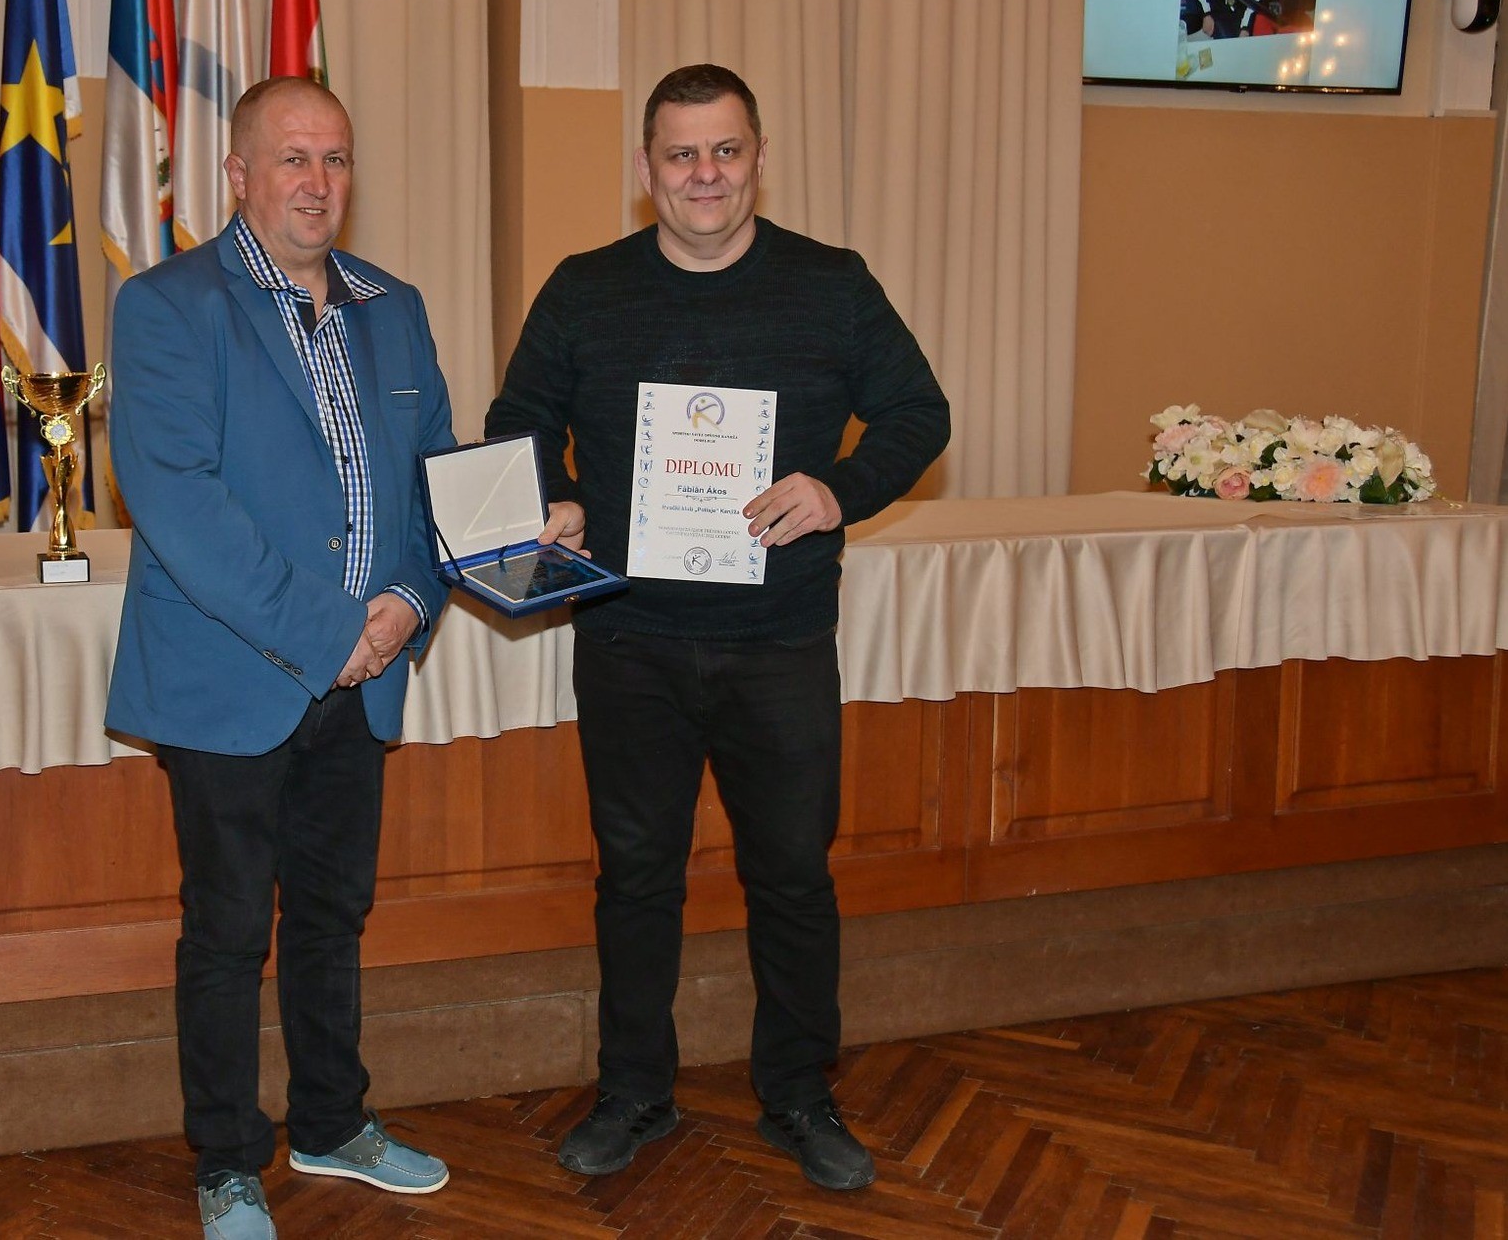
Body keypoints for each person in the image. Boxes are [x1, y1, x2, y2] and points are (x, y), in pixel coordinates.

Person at [484, 64, 949, 1193]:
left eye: (725, 150)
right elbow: (518, 416)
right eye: (681, 153)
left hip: (778, 641)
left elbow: (917, 412)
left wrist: (838, 490)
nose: (705, 174)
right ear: (647, 171)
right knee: (636, 878)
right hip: (628, 640)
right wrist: (556, 493)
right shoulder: (586, 288)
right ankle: (633, 1091)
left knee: (791, 876)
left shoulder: (831, 284)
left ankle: (797, 1093)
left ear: (757, 158)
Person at [107, 76, 456, 1240]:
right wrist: (329, 634)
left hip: (364, 674)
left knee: (330, 914)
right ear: (238, 175)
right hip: (233, 678)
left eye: (335, 159)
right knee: (225, 931)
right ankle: (225, 1161)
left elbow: (433, 481)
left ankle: (331, 1123)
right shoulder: (167, 305)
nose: (317, 182)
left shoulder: (393, 307)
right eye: (292, 159)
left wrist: (408, 600)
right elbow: (180, 502)